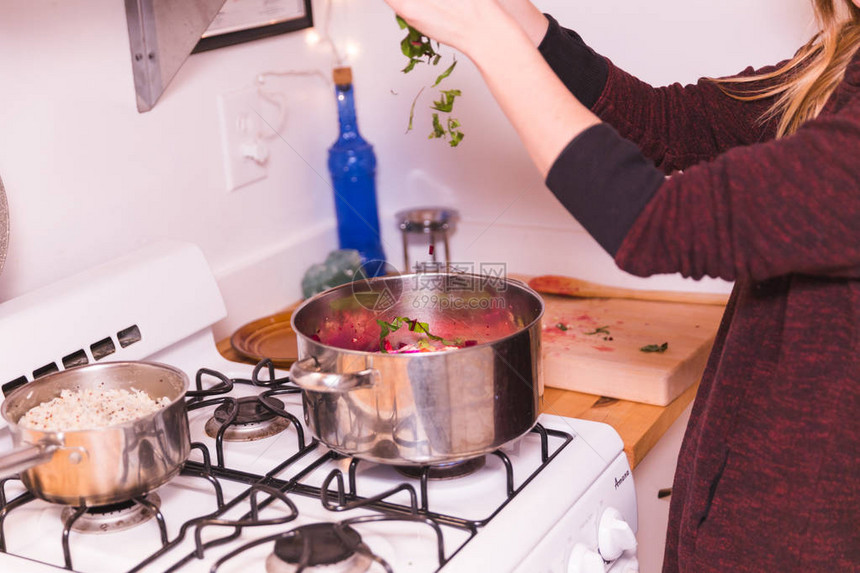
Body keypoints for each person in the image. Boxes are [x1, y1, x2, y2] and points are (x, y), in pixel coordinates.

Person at [383, 0, 860, 571]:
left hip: (806, 535)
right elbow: (670, 124)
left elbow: (652, 222)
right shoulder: (841, 61)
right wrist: (511, 12)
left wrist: (485, 35)